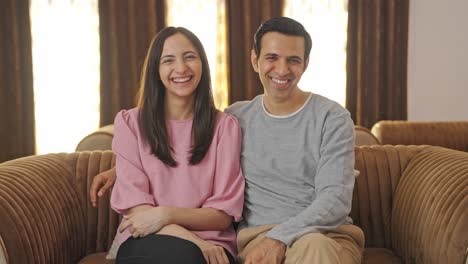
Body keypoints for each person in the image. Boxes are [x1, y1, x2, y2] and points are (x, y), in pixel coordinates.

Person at [91, 17, 364, 263]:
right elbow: (176, 155)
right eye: (272, 57)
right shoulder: (238, 117)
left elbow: (335, 199)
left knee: (314, 247)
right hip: (256, 238)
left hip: (322, 236)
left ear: (305, 63)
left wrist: (280, 237)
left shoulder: (332, 118)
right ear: (254, 60)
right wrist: (121, 171)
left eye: (293, 59)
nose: (282, 69)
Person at [101, 26, 244, 264]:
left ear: (203, 65)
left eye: (189, 57)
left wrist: (164, 214)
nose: (181, 68)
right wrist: (193, 240)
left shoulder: (224, 127)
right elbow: (138, 214)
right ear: (156, 70)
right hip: (146, 239)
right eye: (168, 60)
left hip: (213, 246)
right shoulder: (130, 124)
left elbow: (222, 216)